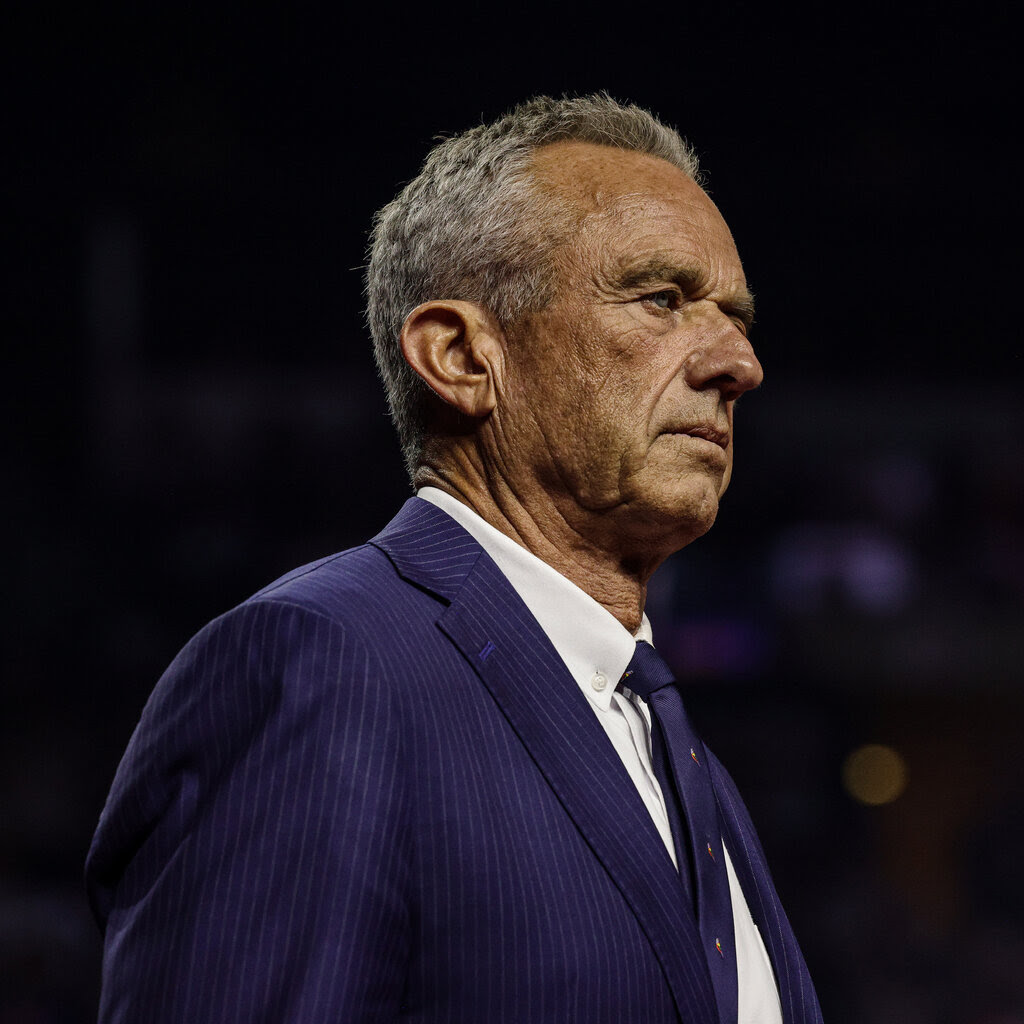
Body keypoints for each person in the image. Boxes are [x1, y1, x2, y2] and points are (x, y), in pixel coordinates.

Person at [86, 95, 823, 1024]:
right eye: (661, 298)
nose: (739, 363)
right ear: (462, 357)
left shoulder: (666, 737)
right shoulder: (323, 667)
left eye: (735, 315)